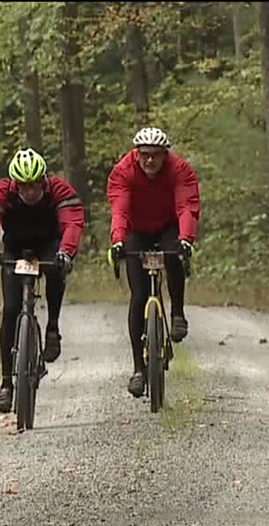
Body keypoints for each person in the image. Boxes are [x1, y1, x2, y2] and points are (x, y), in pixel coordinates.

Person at [0, 148, 85, 413]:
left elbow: (72, 224)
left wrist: (66, 252)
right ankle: (6, 384)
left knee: (56, 270)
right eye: (24, 187)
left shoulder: (59, 189)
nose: (30, 192)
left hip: (49, 245)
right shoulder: (0, 191)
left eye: (35, 186)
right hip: (15, 249)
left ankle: (53, 329)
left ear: (44, 181)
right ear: (15, 184)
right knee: (11, 311)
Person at [106, 127, 201, 398]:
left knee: (174, 256)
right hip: (136, 230)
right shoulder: (123, 171)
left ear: (165, 154)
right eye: (145, 155)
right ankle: (138, 369)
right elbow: (120, 208)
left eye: (156, 156)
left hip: (168, 226)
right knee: (138, 298)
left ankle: (178, 313)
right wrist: (118, 240)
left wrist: (186, 239)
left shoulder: (180, 170)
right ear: (136, 154)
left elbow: (186, 206)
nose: (150, 161)